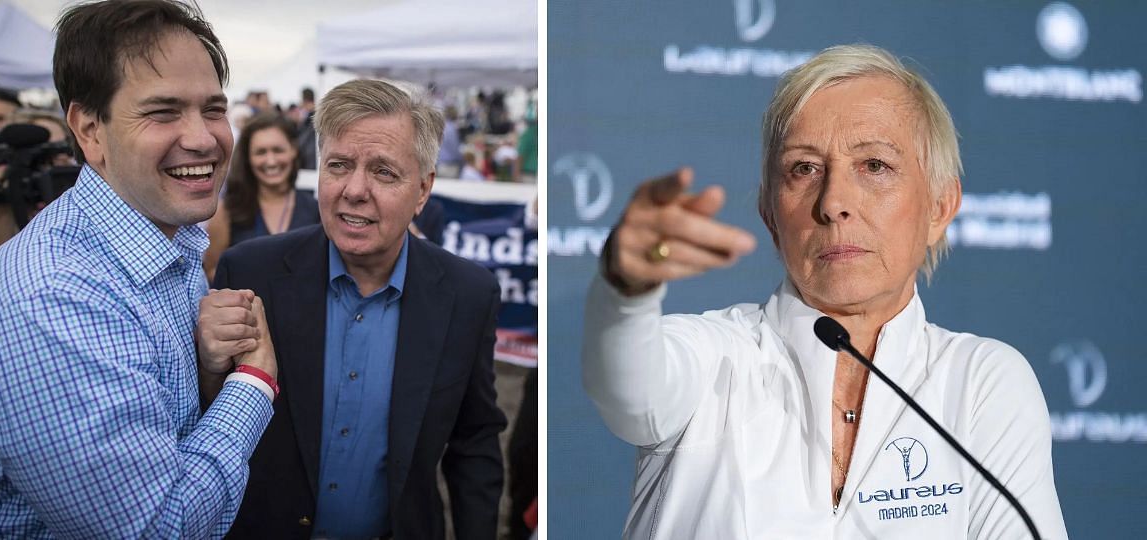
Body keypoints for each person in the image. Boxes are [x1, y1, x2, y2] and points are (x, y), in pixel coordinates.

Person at [583, 44, 1068, 538]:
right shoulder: (715, 357)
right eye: (804, 169)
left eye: (875, 165)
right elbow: (630, 390)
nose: (834, 202)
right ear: (770, 215)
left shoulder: (982, 382)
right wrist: (627, 291)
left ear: (940, 207)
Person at [0, 1, 278, 536]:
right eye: (163, 112)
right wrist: (254, 383)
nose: (203, 137)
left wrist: (207, 371)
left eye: (213, 109)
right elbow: (157, 529)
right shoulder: (49, 304)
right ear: (89, 130)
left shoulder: (167, 235)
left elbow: (161, 425)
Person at [215, 79, 506, 540]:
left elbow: (474, 442)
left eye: (384, 172)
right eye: (339, 165)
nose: (354, 190)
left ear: (423, 190)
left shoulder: (468, 295)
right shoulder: (252, 273)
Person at [203, 113, 318, 281]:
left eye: (278, 150)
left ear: (293, 150)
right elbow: (213, 271)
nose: (270, 161)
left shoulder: (316, 210)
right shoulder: (228, 212)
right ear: (248, 158)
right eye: (260, 152)